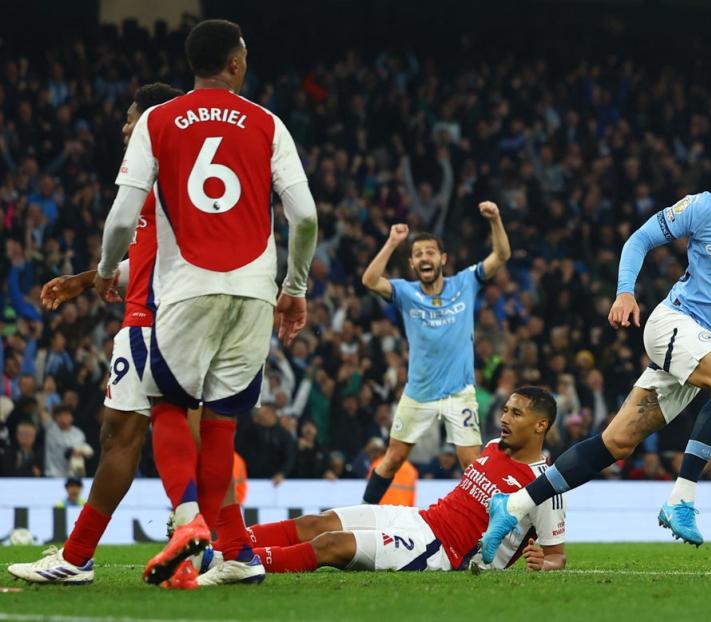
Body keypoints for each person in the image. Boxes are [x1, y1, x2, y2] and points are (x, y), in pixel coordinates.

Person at [481, 135, 711, 559]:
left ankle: (513, 504)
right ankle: (681, 498)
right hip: (673, 324)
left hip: (706, 346)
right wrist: (625, 292)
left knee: (617, 443)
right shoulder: (705, 207)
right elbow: (639, 240)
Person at [94, 19, 317, 586]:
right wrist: (293, 289)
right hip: (254, 289)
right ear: (236, 63)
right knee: (221, 424)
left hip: (188, 286)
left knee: (167, 405)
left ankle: (190, 522)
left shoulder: (158, 121)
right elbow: (307, 216)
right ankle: (232, 559)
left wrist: (102, 269)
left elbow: (123, 216)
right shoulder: (269, 123)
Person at [7, 83, 184, 587]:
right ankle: (226, 547)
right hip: (185, 322)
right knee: (192, 439)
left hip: (150, 323)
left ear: (152, 122)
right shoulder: (181, 181)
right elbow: (152, 259)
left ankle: (78, 555)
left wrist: (102, 269)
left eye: (131, 120)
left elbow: (123, 232)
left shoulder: (148, 177)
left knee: (118, 437)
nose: (125, 128)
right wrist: (88, 280)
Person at [202, 387, 565, 575]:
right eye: (505, 409)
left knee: (332, 544)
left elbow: (557, 557)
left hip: (442, 552)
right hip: (421, 519)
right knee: (316, 522)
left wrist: (541, 563)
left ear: (540, 425)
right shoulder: (492, 448)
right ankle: (221, 547)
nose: (504, 417)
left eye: (516, 413)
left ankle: (226, 563)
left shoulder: (545, 486)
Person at [359, 200, 510, 504]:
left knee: (472, 467)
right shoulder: (405, 292)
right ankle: (363, 512)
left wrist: (495, 219)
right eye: (417, 255)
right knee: (392, 459)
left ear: (443, 258)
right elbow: (369, 280)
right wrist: (391, 242)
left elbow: (502, 255)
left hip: (459, 393)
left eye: (430, 252)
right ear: (412, 264)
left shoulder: (465, 282)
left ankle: (482, 529)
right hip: (418, 393)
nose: (424, 258)